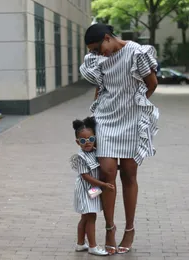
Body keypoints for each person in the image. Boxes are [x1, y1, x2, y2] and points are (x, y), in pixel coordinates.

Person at [80, 23, 159, 254]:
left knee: (128, 174)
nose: (96, 54)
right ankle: (109, 228)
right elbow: (100, 87)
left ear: (107, 37)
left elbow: (151, 84)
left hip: (131, 120)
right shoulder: (98, 60)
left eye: (97, 49)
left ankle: (130, 229)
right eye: (92, 51)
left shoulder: (137, 52)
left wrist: (136, 104)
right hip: (105, 119)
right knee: (107, 171)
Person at [71, 116, 115, 256]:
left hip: (93, 190)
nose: (88, 143)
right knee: (91, 217)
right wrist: (104, 185)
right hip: (85, 189)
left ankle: (80, 244)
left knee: (85, 217)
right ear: (78, 142)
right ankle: (92, 246)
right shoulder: (80, 157)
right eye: (83, 141)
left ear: (95, 137)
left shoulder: (95, 152)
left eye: (90, 139)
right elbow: (86, 177)